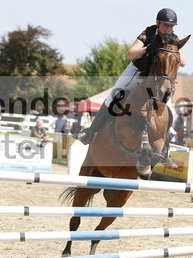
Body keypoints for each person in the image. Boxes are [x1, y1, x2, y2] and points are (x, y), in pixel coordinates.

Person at [74, 8, 186, 153]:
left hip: (156, 78)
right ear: (158, 23)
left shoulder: (174, 39)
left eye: (171, 26)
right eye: (165, 25)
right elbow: (130, 54)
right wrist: (148, 48)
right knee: (114, 95)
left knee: (168, 106)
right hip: (137, 71)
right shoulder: (149, 33)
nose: (168, 28)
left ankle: (165, 145)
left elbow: (183, 62)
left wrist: (174, 51)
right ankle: (90, 131)